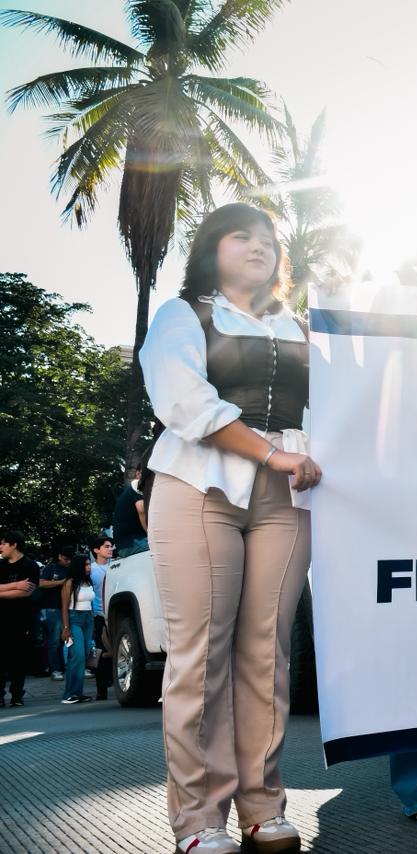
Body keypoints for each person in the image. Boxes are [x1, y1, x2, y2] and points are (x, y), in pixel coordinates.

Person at [139, 203, 320, 854]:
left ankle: (263, 807)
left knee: (268, 654)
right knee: (201, 656)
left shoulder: (302, 327)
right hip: (199, 486)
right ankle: (198, 820)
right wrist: (272, 453)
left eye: (268, 238)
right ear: (211, 249)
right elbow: (183, 400)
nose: (258, 246)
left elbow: (350, 395)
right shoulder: (182, 315)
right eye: (241, 236)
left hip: (287, 496)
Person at [0, 531, 40, 707]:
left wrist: (3, 590)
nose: (0, 547)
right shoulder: (0, 565)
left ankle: (17, 695)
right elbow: (20, 589)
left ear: (14, 544)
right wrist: (16, 585)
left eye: (3, 543)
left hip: (22, 619)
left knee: (18, 659)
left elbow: (28, 591)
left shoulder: (30, 566)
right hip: (2, 619)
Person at [59, 553, 96, 705]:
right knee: (77, 656)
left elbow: (91, 602)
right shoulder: (70, 583)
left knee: (84, 656)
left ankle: (77, 693)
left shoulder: (88, 582)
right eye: (86, 565)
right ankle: (70, 694)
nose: (89, 567)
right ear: (79, 566)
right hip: (74, 619)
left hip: (88, 619)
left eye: (89, 564)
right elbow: (64, 607)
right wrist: (66, 628)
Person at [38, 545, 74, 680]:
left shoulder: (70, 569)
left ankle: (60, 667)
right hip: (52, 608)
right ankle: (55, 669)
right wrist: (61, 582)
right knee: (55, 640)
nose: (68, 562)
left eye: (70, 559)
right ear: (59, 556)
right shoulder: (51, 568)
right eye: (65, 559)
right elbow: (41, 583)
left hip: (66, 608)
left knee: (61, 640)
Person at [87, 536, 114, 700]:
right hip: (98, 617)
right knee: (99, 654)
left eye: (111, 546)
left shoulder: (116, 567)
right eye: (106, 546)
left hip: (114, 616)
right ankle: (101, 690)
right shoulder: (92, 570)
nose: (110, 549)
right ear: (96, 550)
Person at [112, 472, 149, 557]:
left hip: (128, 543)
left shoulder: (130, 491)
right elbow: (141, 510)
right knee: (163, 548)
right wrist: (151, 535)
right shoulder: (137, 487)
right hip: (131, 543)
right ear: (138, 474)